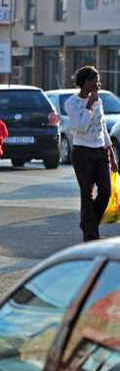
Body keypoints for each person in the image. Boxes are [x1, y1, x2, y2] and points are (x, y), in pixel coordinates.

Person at [66, 66, 118, 242]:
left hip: (100, 151)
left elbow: (102, 128)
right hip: (82, 152)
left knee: (106, 191)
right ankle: (91, 235)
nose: (97, 84)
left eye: (97, 80)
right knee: (86, 193)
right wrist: (89, 104)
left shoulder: (99, 101)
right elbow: (81, 127)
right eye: (93, 80)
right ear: (84, 82)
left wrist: (111, 153)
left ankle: (88, 222)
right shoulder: (71, 103)